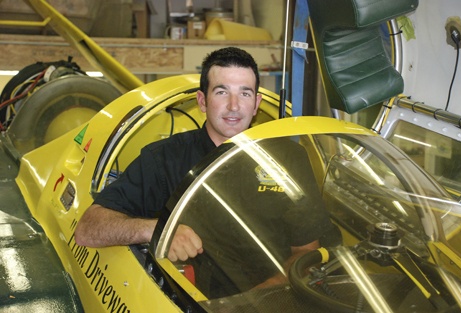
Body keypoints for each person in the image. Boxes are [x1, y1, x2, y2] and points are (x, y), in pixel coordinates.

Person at [74, 47, 329, 269]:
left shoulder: (290, 159)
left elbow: (306, 253)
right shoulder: (163, 159)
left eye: (245, 93)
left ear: (256, 104)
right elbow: (88, 229)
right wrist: (158, 230)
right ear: (202, 101)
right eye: (221, 92)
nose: (234, 105)